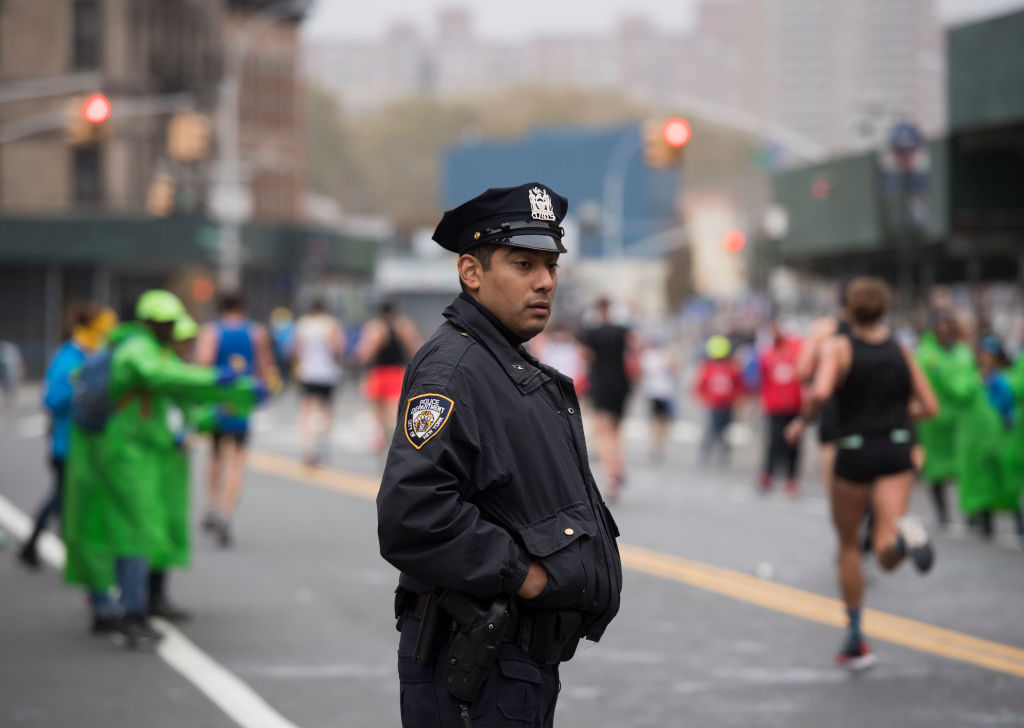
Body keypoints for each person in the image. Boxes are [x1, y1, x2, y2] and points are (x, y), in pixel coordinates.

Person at [377, 182, 622, 728]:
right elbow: (411, 514)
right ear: (472, 272)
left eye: (550, 265)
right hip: (477, 664)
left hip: (511, 666)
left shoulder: (501, 363)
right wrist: (523, 575)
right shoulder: (456, 369)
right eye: (522, 263)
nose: (544, 281)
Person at [62, 290, 262, 647]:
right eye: (169, 325)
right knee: (135, 531)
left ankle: (131, 608)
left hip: (143, 454)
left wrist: (236, 393)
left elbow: (179, 396)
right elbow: (165, 379)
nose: (176, 335)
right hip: (126, 454)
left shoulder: (151, 350)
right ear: (152, 322)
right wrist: (224, 382)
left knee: (140, 531)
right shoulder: (139, 351)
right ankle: (130, 612)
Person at [785, 277, 938, 670]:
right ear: (885, 310)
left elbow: (819, 393)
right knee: (884, 544)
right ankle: (903, 542)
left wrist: (805, 421)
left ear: (849, 311)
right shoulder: (901, 351)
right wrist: (899, 418)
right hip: (896, 447)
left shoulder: (839, 347)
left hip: (853, 449)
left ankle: (855, 638)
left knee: (850, 545)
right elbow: (930, 406)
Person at [18, 303, 117, 569]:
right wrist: (84, 392)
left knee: (67, 499)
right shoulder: (69, 358)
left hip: (88, 444)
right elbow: (52, 399)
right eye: (103, 329)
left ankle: (46, 547)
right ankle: (39, 546)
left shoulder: (94, 356)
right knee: (64, 498)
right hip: (68, 443)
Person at [195, 292, 277, 546]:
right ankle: (226, 513)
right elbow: (265, 367)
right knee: (237, 459)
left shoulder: (211, 331)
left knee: (215, 454)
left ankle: (211, 505)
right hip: (242, 400)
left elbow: (203, 363)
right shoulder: (256, 332)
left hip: (218, 399)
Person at [915, 311, 973, 526]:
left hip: (962, 419)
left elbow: (969, 381)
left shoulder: (963, 352)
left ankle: (971, 511)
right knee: (936, 469)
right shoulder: (925, 353)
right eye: (940, 326)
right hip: (934, 420)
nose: (944, 331)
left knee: (965, 466)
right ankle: (943, 512)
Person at [579, 297, 638, 502]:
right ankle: (619, 463)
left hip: (600, 385)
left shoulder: (590, 332)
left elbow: (585, 358)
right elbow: (635, 350)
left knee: (601, 432)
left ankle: (611, 475)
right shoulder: (622, 330)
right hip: (621, 384)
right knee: (616, 430)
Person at [356, 300, 422, 452]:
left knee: (378, 413)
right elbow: (416, 349)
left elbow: (365, 353)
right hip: (396, 372)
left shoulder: (375, 327)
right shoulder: (404, 326)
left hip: (378, 373)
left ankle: (381, 441)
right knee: (394, 412)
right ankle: (393, 443)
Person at [292, 299, 346, 466]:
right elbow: (338, 348)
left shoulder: (303, 325)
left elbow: (297, 350)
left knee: (308, 411)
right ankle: (323, 446)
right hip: (327, 374)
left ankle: (309, 448)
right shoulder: (331, 324)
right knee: (326, 411)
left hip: (307, 373)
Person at [757, 319, 803, 495]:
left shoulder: (797, 349)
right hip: (775, 405)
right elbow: (761, 377)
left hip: (794, 405)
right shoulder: (767, 352)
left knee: (793, 444)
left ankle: (791, 478)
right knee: (773, 442)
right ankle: (768, 474)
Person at [694, 335, 746, 467]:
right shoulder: (708, 367)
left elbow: (740, 386)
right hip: (714, 405)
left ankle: (724, 454)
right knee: (711, 429)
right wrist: (704, 398)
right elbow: (700, 386)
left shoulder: (733, 367)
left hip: (727, 405)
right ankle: (706, 453)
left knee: (725, 431)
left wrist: (737, 399)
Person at [639, 335, 678, 462]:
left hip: (661, 392)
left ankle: (657, 443)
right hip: (657, 392)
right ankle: (656, 443)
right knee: (658, 420)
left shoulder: (651, 355)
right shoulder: (651, 356)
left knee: (661, 420)